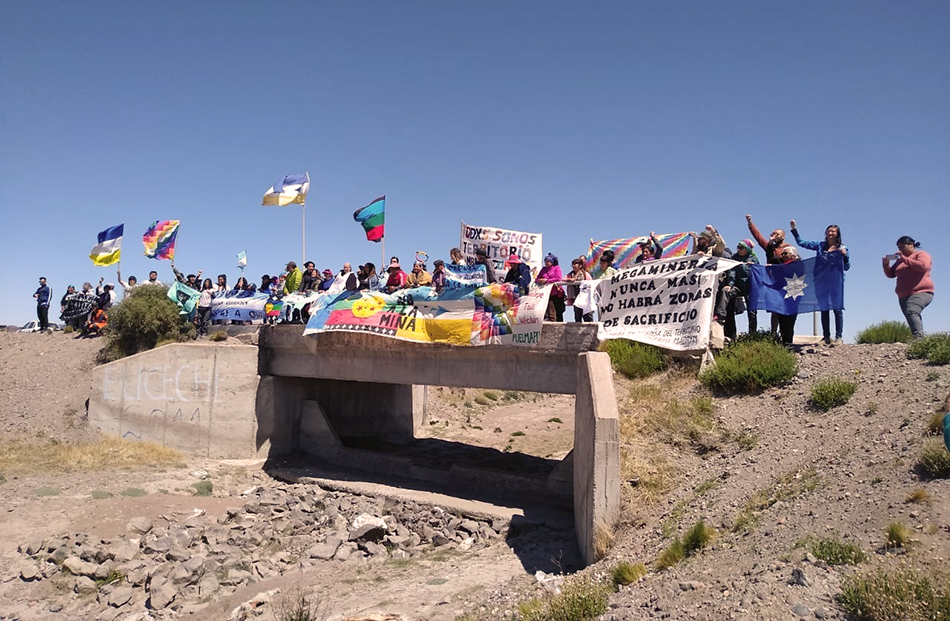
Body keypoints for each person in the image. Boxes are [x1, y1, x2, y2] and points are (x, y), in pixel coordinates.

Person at [791, 220, 850, 344]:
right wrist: (794, 230)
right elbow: (802, 243)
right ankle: (826, 337)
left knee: (837, 308)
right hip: (820, 281)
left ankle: (839, 337)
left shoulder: (842, 248)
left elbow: (846, 267)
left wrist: (844, 256)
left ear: (838, 233)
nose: (830, 233)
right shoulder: (819, 246)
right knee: (823, 308)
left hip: (836, 282)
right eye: (829, 231)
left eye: (833, 231)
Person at [882, 236, 934, 339]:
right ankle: (917, 338)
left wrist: (904, 259)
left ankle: (919, 340)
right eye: (899, 247)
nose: (900, 250)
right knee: (910, 315)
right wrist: (886, 265)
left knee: (912, 311)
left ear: (911, 245)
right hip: (903, 295)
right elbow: (891, 274)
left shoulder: (921, 255)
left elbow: (923, 266)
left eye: (902, 247)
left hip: (922, 292)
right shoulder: (900, 260)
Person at [716, 239, 760, 341]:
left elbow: (758, 272)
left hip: (750, 288)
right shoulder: (735, 258)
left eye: (741, 248)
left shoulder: (754, 258)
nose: (739, 250)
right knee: (725, 292)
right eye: (738, 247)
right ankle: (721, 317)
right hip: (738, 286)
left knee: (752, 311)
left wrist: (752, 266)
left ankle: (752, 335)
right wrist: (730, 285)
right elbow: (732, 272)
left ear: (747, 249)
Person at [774, 246, 801, 346]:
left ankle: (788, 343)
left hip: (793, 296)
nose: (783, 256)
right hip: (781, 295)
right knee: (781, 320)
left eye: (785, 253)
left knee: (789, 321)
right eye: (782, 254)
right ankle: (783, 342)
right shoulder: (781, 265)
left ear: (793, 255)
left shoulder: (798, 265)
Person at [535, 253, 565, 321]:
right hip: (546, 293)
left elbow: (558, 278)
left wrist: (547, 280)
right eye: (545, 261)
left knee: (558, 311)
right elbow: (536, 279)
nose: (546, 263)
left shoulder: (557, 268)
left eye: (548, 261)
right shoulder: (543, 269)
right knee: (550, 312)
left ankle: (559, 327)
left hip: (556, 292)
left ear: (552, 262)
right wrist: (540, 280)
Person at [564, 256, 593, 322]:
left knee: (587, 315)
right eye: (573, 264)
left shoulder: (585, 274)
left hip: (584, 297)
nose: (574, 266)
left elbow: (591, 282)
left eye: (575, 264)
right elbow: (563, 279)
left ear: (580, 266)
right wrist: (569, 279)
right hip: (575, 296)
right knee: (577, 315)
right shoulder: (570, 274)